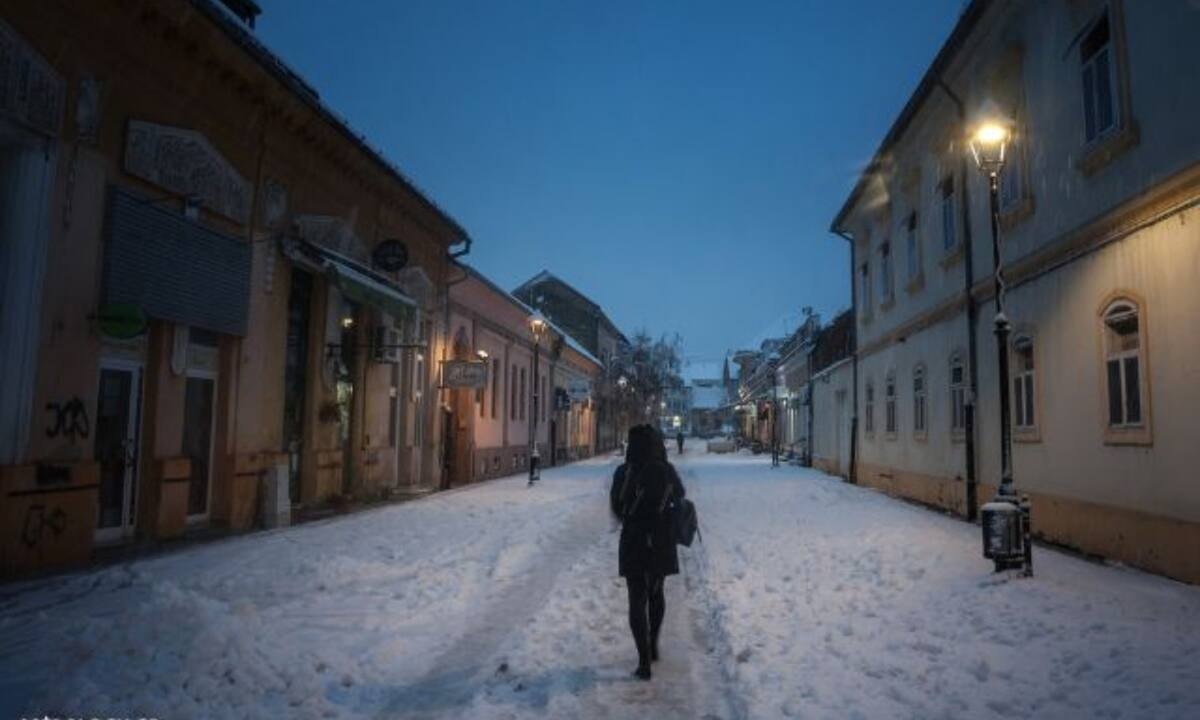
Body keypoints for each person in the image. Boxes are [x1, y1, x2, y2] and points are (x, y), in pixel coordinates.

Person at [610, 424, 687, 681]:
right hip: (661, 539)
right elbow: (680, 495)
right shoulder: (666, 470)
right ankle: (653, 643)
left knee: (636, 598)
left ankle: (643, 661)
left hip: (634, 538)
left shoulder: (624, 471)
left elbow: (616, 506)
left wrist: (632, 514)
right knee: (656, 592)